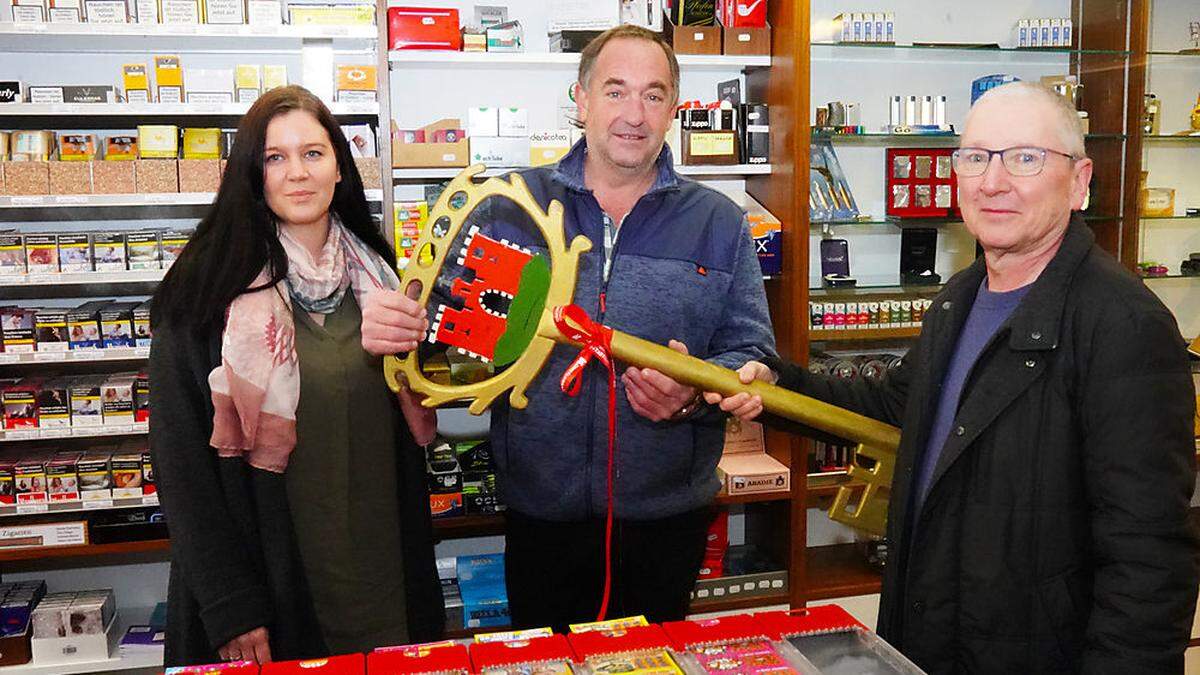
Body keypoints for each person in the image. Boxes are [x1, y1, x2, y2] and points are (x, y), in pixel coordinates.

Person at [707, 81, 1199, 672]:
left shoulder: (1124, 325)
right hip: (934, 634)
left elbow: (1148, 560)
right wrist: (774, 386)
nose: (993, 181)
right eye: (974, 157)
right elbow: (894, 405)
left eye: (1025, 158)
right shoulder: (962, 296)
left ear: (1079, 181)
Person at [362, 24, 776, 632]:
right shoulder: (513, 208)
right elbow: (453, 348)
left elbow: (749, 347)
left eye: (654, 94)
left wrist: (693, 397)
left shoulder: (718, 221)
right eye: (615, 91)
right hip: (541, 516)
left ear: (673, 110)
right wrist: (401, 328)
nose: (634, 113)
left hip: (667, 520)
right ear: (580, 101)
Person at [149, 85, 443, 667]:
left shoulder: (382, 278)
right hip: (275, 574)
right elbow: (181, 465)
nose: (297, 174)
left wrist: (424, 341)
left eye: (313, 153)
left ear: (340, 168)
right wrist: (232, 604)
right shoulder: (205, 293)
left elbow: (421, 402)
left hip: (379, 561)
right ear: (251, 174)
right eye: (275, 157)